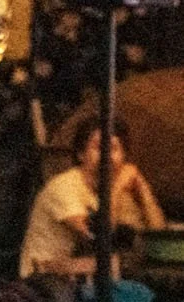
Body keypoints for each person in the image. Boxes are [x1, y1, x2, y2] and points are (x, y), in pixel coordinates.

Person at [20, 117, 165, 278]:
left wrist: (142, 190)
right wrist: (117, 187)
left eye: (114, 148)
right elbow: (99, 238)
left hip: (87, 282)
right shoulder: (64, 186)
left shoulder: (115, 191)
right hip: (45, 285)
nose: (107, 155)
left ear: (123, 156)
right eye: (98, 147)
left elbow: (158, 236)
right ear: (81, 154)